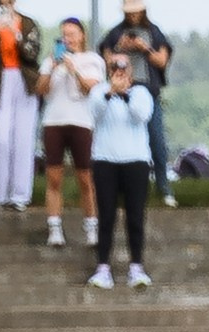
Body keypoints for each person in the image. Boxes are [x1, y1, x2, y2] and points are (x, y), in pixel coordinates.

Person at [85, 54, 153, 290]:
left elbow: (141, 115)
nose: (119, 71)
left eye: (123, 67)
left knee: (135, 216)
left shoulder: (141, 93)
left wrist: (124, 94)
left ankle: (137, 266)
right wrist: (110, 92)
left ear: (131, 71)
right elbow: (94, 113)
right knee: (106, 215)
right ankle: (103, 267)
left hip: (136, 161)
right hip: (105, 160)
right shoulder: (99, 92)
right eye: (115, 67)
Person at [97, 1, 172, 207]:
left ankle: (163, 186)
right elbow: (107, 60)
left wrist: (144, 48)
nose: (132, 16)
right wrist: (120, 48)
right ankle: (124, 189)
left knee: (156, 140)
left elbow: (162, 60)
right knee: (121, 140)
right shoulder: (115, 33)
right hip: (121, 92)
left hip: (148, 90)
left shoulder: (153, 32)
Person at [37, 19, 100, 248]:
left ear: (82, 35)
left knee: (85, 177)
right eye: (64, 35)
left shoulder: (92, 60)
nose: (68, 39)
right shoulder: (50, 61)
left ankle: (91, 227)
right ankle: (54, 227)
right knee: (54, 177)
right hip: (54, 121)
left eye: (72, 34)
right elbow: (40, 89)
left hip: (81, 122)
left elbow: (91, 88)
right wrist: (53, 67)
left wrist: (74, 70)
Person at [0, 1, 43, 212]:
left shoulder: (28, 24)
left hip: (24, 82)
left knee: (23, 138)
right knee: (1, 139)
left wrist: (17, 34)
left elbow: (32, 54)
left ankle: (20, 195)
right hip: (0, 82)